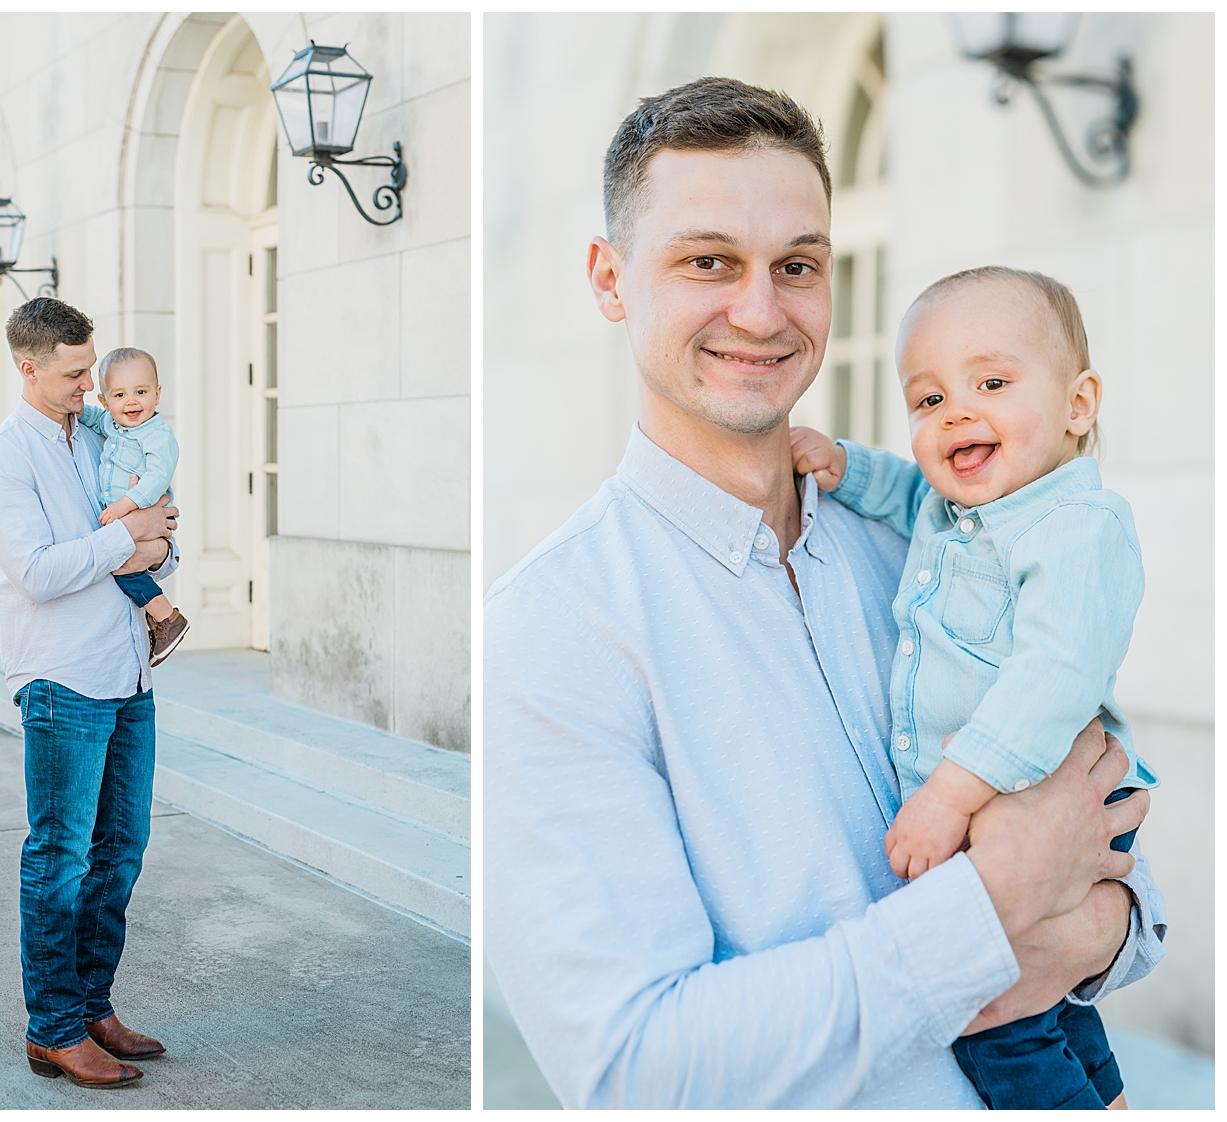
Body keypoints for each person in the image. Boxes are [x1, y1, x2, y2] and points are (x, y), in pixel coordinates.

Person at [483, 78, 1165, 1109]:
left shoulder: (934, 541)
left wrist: (1094, 927)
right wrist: (993, 912)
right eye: (708, 261)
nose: (760, 312)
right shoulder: (552, 631)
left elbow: (1113, 852)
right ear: (610, 278)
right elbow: (633, 1073)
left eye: (796, 265)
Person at [788, 266, 1159, 1109]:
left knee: (995, 1018)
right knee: (1048, 999)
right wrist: (845, 465)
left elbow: (1054, 676)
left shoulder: (1078, 528)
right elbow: (905, 492)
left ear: (1078, 404)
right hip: (999, 802)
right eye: (929, 399)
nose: (956, 412)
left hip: (1035, 790)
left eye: (991, 383)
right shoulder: (954, 511)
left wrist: (950, 796)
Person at [0, 298, 180, 1089]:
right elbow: (40, 572)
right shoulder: (2, 460)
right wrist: (127, 538)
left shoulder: (97, 436)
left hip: (128, 671)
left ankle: (93, 1007)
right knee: (60, 858)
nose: (92, 384)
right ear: (29, 368)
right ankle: (52, 1028)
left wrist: (149, 541)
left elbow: (160, 535)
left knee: (120, 853)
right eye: (75, 373)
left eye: (91, 368)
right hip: (62, 679)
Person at [79, 345, 190, 665]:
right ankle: (157, 619)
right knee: (125, 565)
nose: (131, 402)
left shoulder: (157, 435)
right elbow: (94, 418)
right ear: (105, 401)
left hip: (141, 511)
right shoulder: (113, 424)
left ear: (157, 393)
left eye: (141, 392)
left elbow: (157, 477)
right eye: (119, 395)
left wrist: (126, 506)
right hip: (126, 518)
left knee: (123, 566)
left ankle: (167, 618)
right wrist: (76, 411)